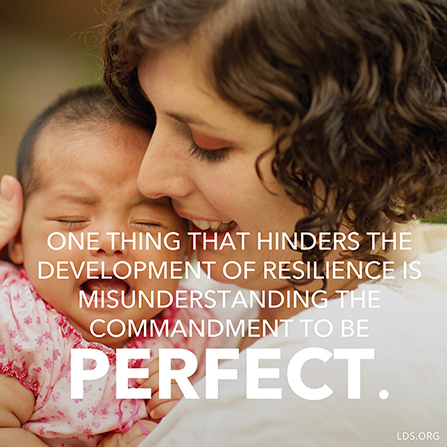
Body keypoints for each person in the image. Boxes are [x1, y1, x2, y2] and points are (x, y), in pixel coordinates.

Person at [102, 0, 447, 446]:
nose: (150, 179)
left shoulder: (326, 385)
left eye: (208, 144)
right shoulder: (245, 274)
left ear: (365, 150)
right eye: (152, 121)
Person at [0, 85, 216, 447]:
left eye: (148, 223)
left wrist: (184, 413)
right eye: (72, 219)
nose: (110, 241)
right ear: (17, 240)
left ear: (186, 248)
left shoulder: (193, 334)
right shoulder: (22, 330)